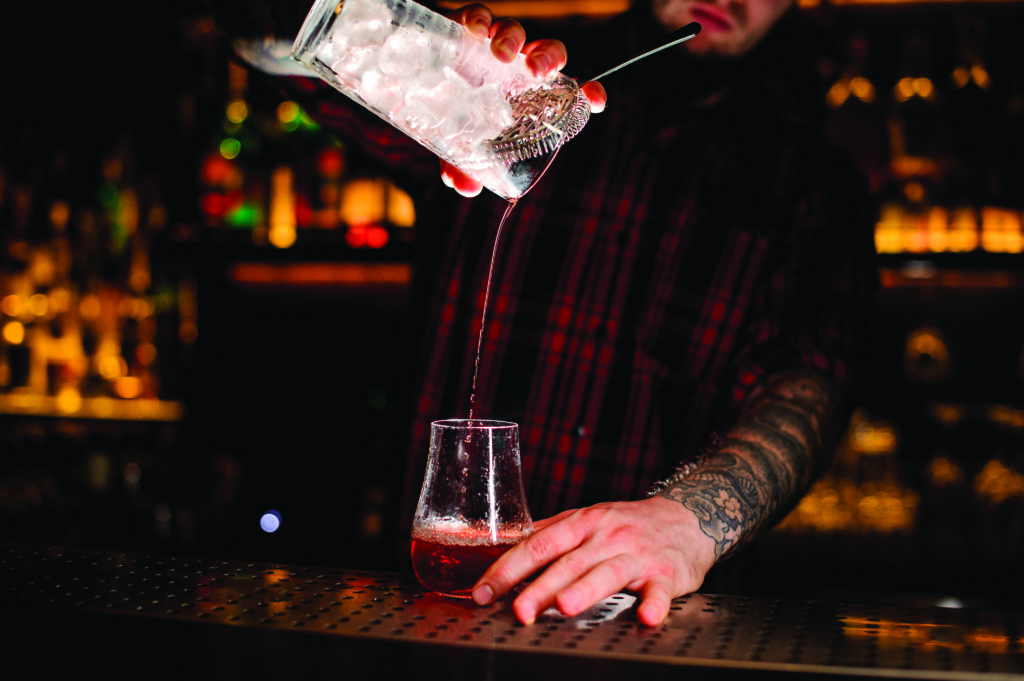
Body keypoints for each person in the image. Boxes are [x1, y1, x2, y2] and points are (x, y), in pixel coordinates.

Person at [214, 0, 879, 627]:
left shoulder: (814, 187)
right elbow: (264, 37)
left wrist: (690, 520)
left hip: (647, 635)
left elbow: (810, 387)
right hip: (434, 619)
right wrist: (396, 41)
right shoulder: (506, 94)